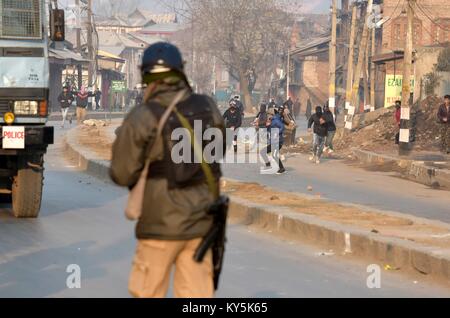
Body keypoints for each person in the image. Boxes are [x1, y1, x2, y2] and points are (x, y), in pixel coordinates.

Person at [110, 42, 226, 298]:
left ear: (146, 76)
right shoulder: (209, 107)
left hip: (159, 228)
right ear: (180, 73)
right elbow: (217, 153)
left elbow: (121, 173)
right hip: (202, 227)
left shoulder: (143, 115)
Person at [260, 108, 286, 174]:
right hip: (274, 141)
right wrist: (266, 126)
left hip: (278, 141)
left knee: (274, 155)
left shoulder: (276, 120)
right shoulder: (272, 120)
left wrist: (277, 133)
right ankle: (268, 165)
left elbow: (282, 127)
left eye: (268, 114)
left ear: (272, 114)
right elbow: (269, 129)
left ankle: (282, 168)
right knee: (263, 152)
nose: (268, 116)